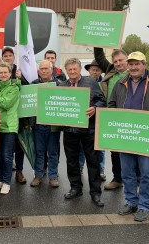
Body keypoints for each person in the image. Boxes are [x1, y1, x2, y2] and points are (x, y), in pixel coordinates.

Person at [109, 52, 149, 222]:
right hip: (125, 136)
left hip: (146, 137)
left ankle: (144, 206)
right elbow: (111, 105)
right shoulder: (121, 83)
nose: (134, 67)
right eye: (131, 64)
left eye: (137, 64)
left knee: (145, 173)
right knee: (127, 172)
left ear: (144, 64)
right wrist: (112, 129)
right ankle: (131, 201)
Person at [60, 58, 106, 207]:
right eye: (70, 70)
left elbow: (102, 101)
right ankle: (75, 187)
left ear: (80, 70)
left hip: (88, 130)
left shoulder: (91, 83)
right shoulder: (62, 86)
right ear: (66, 71)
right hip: (69, 130)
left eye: (75, 69)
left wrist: (95, 108)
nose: (72, 72)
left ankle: (95, 192)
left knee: (93, 161)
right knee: (72, 161)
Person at [94, 47, 129, 190]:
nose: (118, 63)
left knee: (130, 151)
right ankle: (118, 179)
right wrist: (98, 41)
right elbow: (99, 56)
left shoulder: (134, 72)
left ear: (127, 60)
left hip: (129, 117)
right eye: (115, 61)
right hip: (112, 116)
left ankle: (136, 181)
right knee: (114, 151)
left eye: (121, 60)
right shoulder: (110, 71)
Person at [30, 60, 61, 188]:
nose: (43, 71)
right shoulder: (33, 85)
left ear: (52, 70)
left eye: (46, 68)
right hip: (38, 125)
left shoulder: (59, 85)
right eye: (41, 68)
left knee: (53, 151)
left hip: (53, 125)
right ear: (39, 71)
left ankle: (53, 176)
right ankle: (38, 175)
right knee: (39, 151)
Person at [0, 63, 21, 194]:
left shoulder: (14, 88)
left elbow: (6, 104)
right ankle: (1, 179)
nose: (3, 75)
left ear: (10, 74)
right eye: (0, 72)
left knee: (7, 155)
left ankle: (7, 182)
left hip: (9, 126)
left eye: (5, 72)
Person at [2, 47, 28, 183]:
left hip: (20, 115)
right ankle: (4, 174)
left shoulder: (20, 71)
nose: (7, 58)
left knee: (19, 146)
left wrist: (20, 78)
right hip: (5, 118)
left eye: (10, 55)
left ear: (13, 56)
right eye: (5, 56)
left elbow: (28, 89)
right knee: (6, 149)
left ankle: (19, 171)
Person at [84, 61, 106, 181]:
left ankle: (101, 169)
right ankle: (81, 167)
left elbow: (104, 100)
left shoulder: (104, 83)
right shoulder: (84, 82)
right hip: (85, 120)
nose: (95, 72)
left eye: (97, 70)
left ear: (101, 71)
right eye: (93, 69)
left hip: (100, 119)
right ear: (89, 70)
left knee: (100, 147)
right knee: (83, 148)